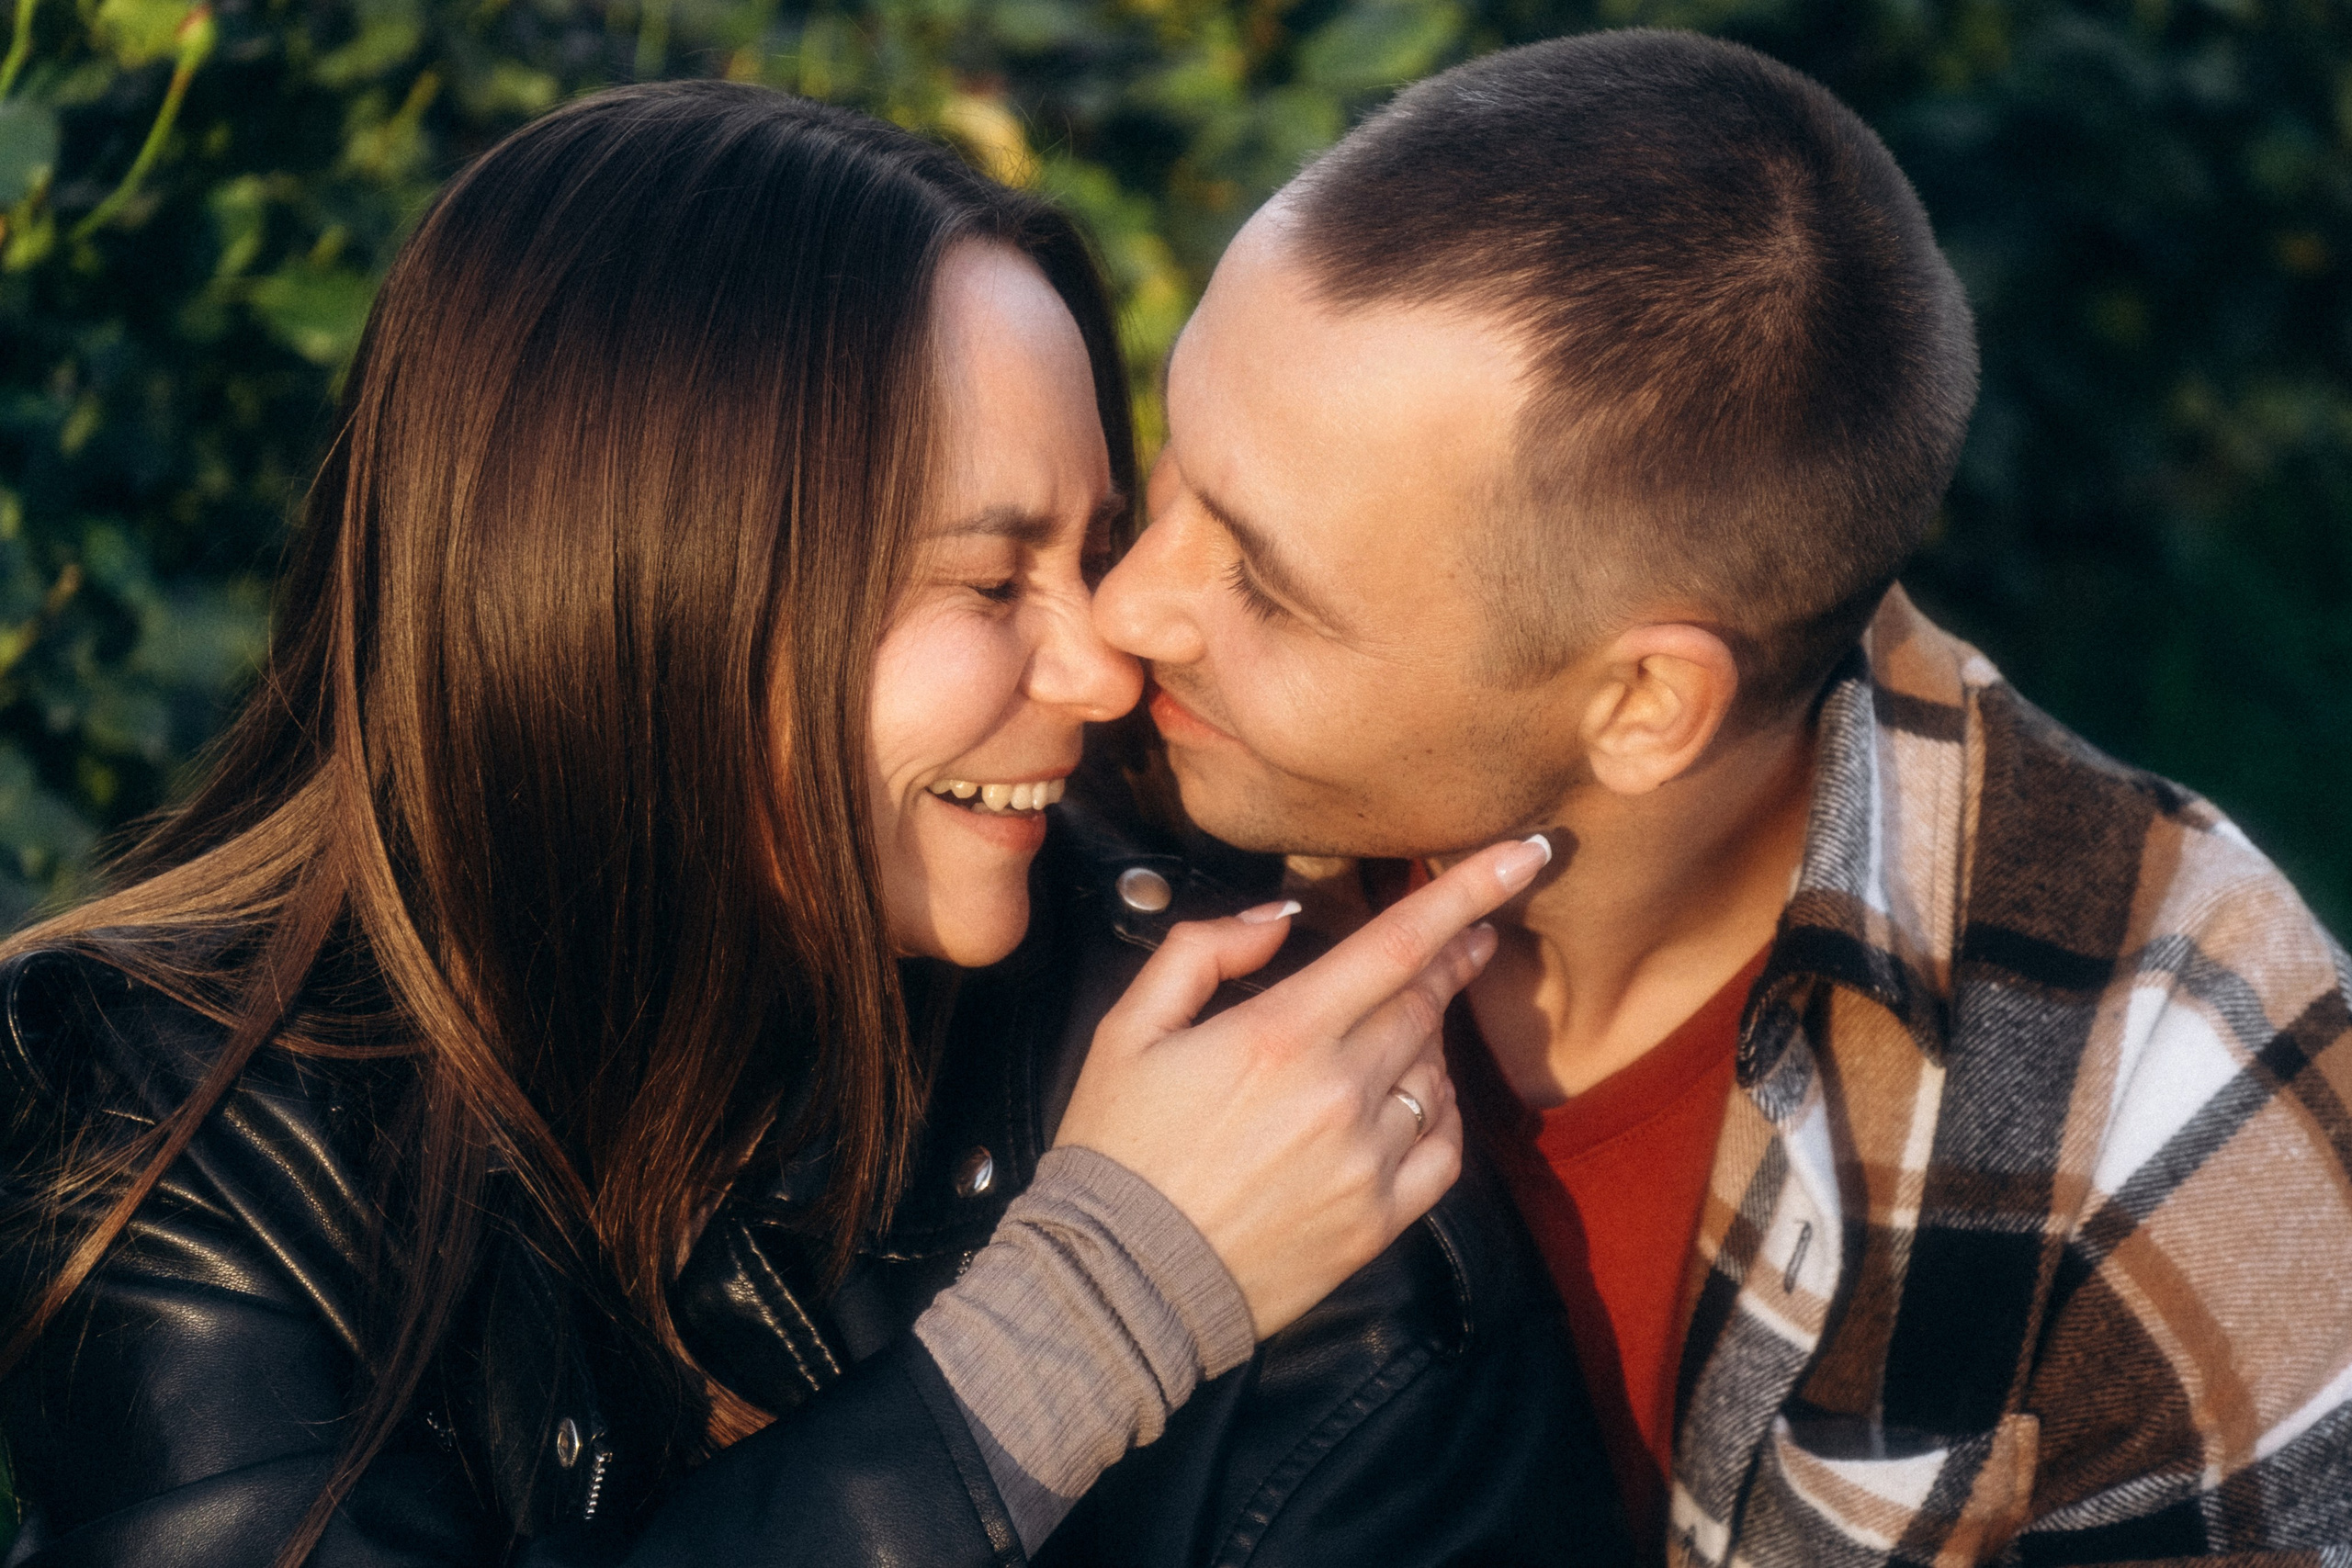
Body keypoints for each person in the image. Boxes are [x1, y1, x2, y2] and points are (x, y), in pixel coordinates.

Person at [0, 82, 1628, 1566]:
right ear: (652, 607)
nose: (1103, 668)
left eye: (1092, 550)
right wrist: (1076, 1333)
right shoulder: (188, 1113)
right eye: (992, 581)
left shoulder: (1280, 1127)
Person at [1080, 27, 2352, 1567]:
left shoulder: (2168, 1109)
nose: (1122, 612)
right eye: (1171, 471)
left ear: (1643, 705)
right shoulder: (1074, 796)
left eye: (1266, 589)